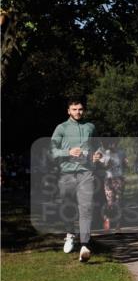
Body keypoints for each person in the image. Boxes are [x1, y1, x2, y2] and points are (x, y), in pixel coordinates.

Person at [50, 96, 102, 263]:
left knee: (85, 208)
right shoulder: (61, 128)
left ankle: (85, 245)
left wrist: (98, 154)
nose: (78, 112)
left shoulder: (90, 127)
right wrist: (68, 152)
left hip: (86, 173)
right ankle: (70, 234)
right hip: (66, 173)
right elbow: (52, 151)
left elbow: (98, 145)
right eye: (74, 109)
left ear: (83, 110)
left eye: (80, 109)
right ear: (68, 111)